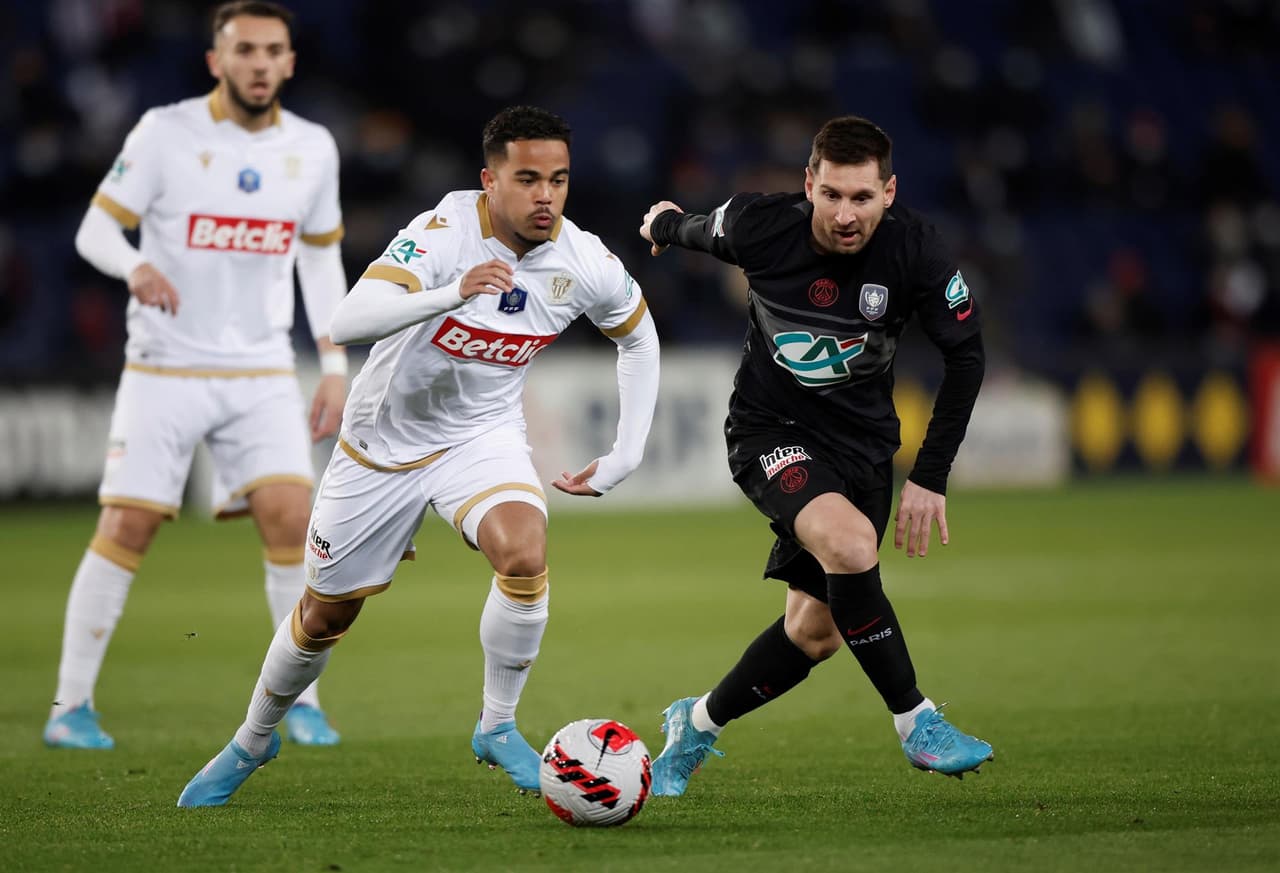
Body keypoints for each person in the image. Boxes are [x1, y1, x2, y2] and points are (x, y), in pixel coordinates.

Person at [176, 105, 661, 807]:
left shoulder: (581, 259)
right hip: (380, 445)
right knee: (323, 617)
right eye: (527, 179)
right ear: (488, 181)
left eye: (558, 179)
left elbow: (638, 338)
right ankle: (255, 736)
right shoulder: (441, 233)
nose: (545, 196)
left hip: (480, 435)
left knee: (524, 553)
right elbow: (346, 321)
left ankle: (496, 724)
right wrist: (449, 292)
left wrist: (626, 449)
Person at [638, 115, 994, 796]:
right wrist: (662, 223)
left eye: (862, 197)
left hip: (861, 449)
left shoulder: (916, 251)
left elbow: (967, 355)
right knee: (852, 544)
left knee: (816, 631)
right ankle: (917, 720)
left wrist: (929, 475)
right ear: (808, 183)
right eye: (831, 194)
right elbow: (693, 229)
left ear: (890, 192)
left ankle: (698, 722)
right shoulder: (759, 225)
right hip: (768, 429)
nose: (845, 213)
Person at [43, 1, 348, 751]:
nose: (258, 63)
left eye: (273, 50)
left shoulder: (313, 147)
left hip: (263, 368)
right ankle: (68, 706)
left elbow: (319, 258)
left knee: (295, 523)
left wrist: (336, 362)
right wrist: (134, 263)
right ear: (216, 60)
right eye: (243, 50)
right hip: (165, 364)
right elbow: (93, 228)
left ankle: (300, 702)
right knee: (130, 523)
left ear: (290, 62)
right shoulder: (165, 132)